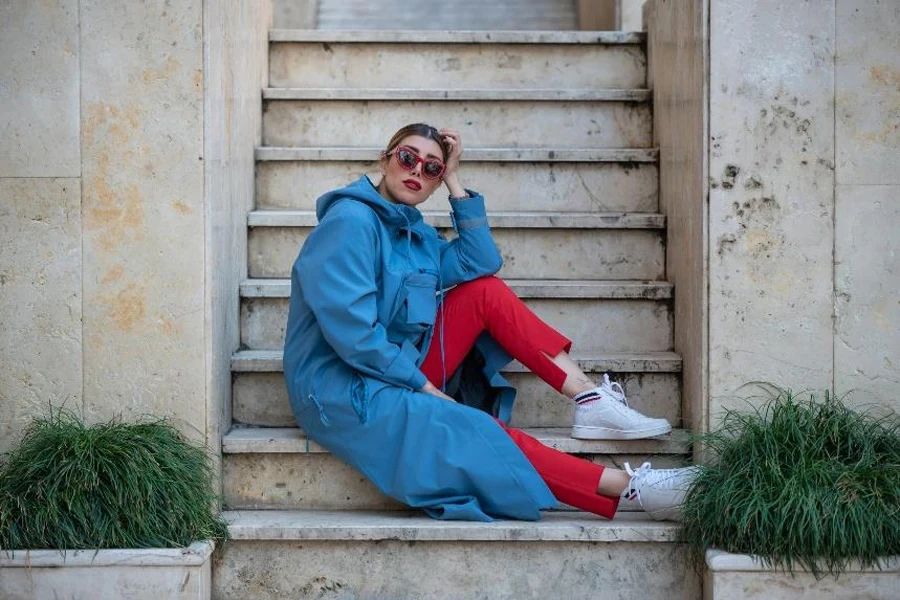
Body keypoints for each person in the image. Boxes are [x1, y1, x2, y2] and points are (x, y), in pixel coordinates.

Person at [283, 123, 698, 522]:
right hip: (341, 386)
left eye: (432, 167)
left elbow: (480, 262)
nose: (417, 172)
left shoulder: (414, 234)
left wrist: (456, 182)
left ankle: (589, 401)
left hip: (396, 368)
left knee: (486, 291)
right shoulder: (350, 222)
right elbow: (353, 334)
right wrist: (425, 387)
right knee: (472, 425)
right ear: (385, 158)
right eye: (408, 158)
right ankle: (632, 487)